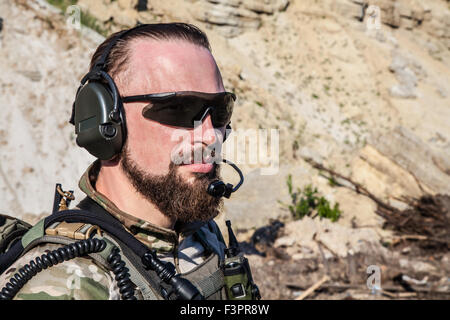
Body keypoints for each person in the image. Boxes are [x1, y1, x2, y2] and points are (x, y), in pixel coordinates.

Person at [0, 23, 259, 300]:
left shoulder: (202, 233)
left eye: (220, 111)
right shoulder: (64, 281)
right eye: (180, 109)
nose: (211, 136)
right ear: (106, 122)